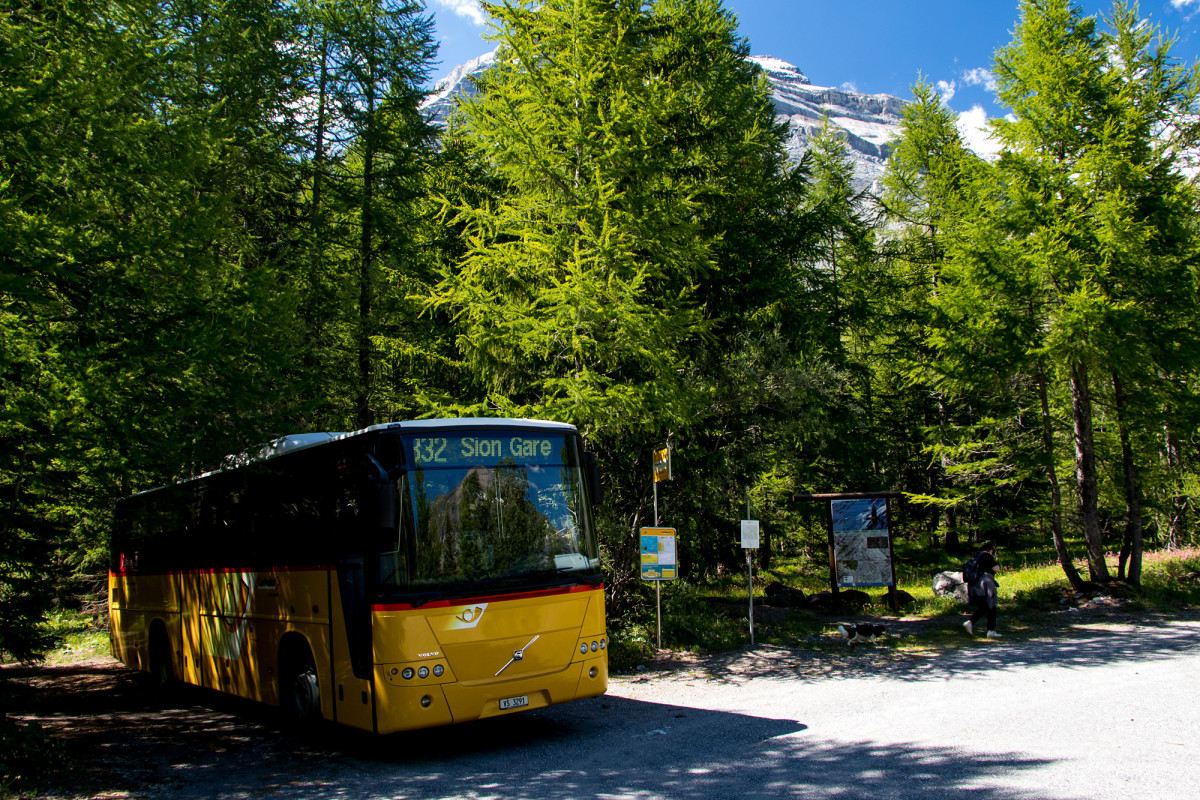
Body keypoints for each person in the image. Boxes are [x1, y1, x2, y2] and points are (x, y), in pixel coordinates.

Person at [963, 544, 1003, 639]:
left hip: (974, 584)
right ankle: (991, 631)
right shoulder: (987, 555)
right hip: (986, 582)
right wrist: (996, 563)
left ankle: (970, 622)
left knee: (984, 605)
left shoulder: (974, 558)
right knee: (991, 603)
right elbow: (996, 569)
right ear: (991, 551)